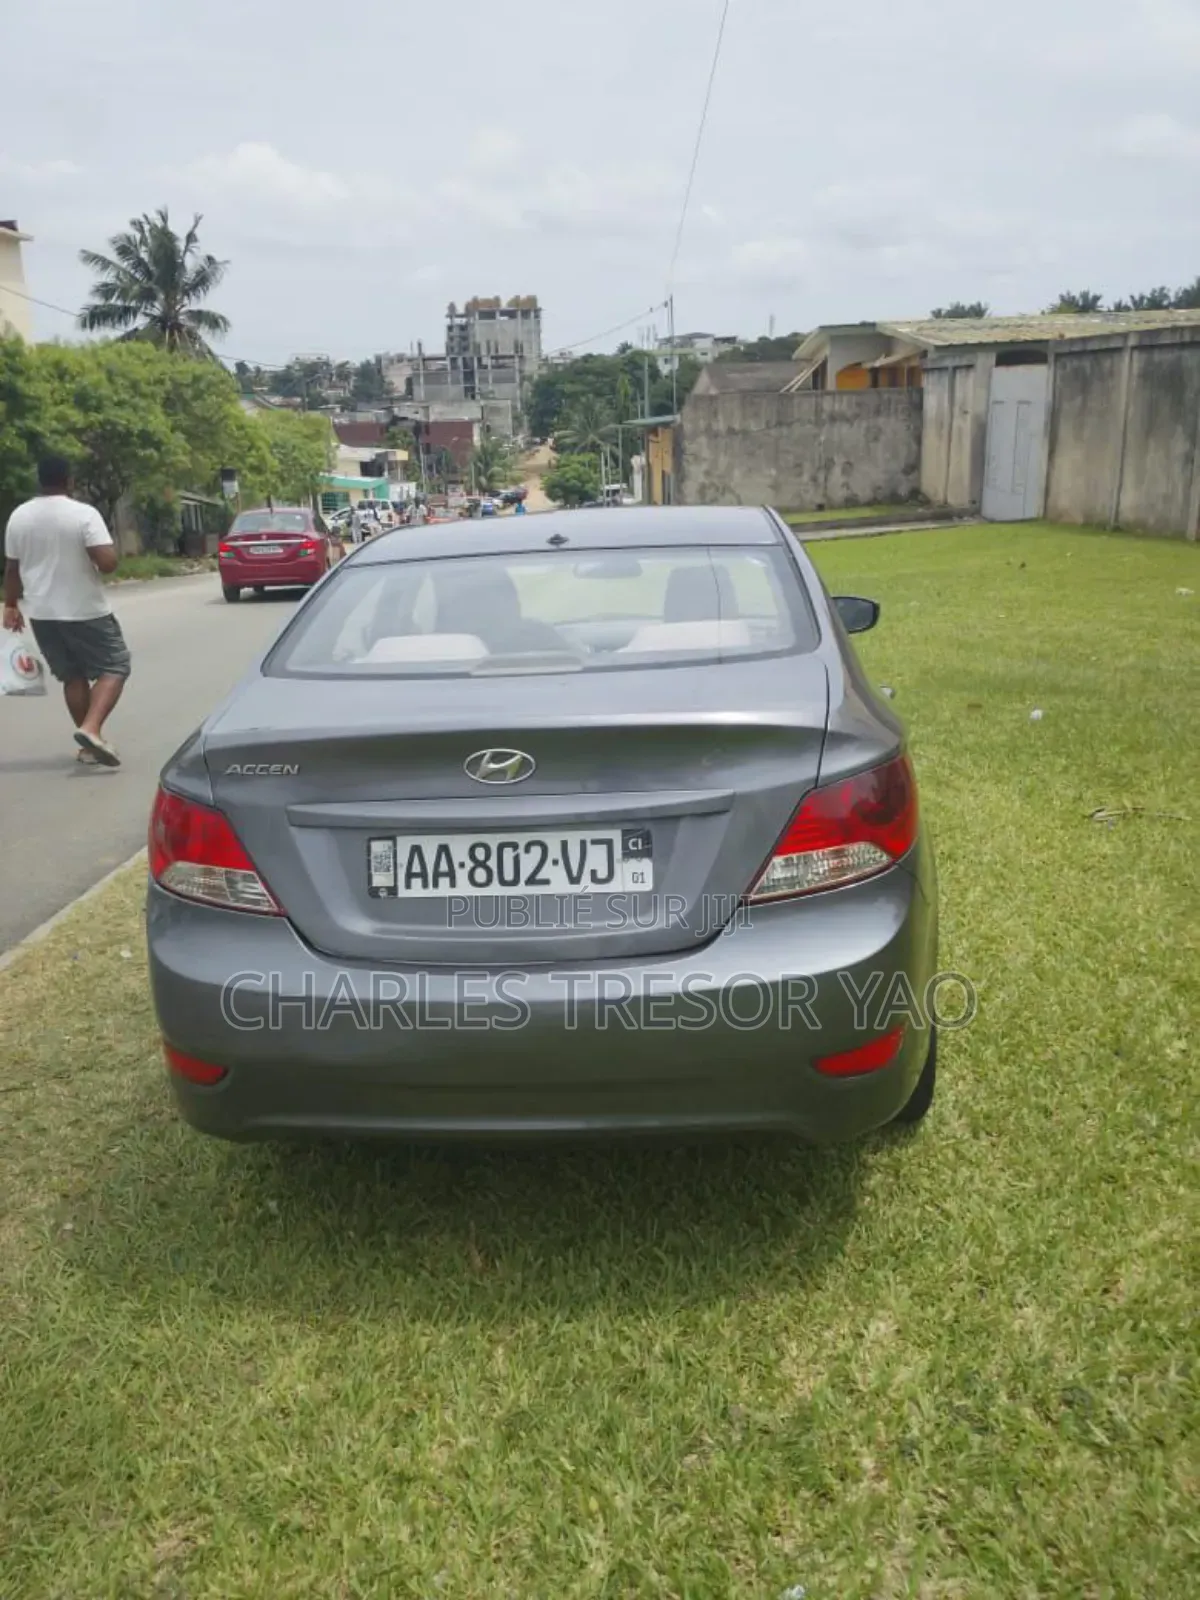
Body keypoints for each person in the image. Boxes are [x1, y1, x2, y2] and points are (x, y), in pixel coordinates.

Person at [3, 454, 132, 768]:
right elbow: (108, 563)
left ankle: (88, 747)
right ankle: (91, 729)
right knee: (115, 665)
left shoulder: (19, 516)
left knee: (72, 676)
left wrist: (10, 605)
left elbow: (12, 568)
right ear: (70, 481)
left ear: (40, 480)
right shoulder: (83, 514)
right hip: (85, 609)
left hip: (43, 613)